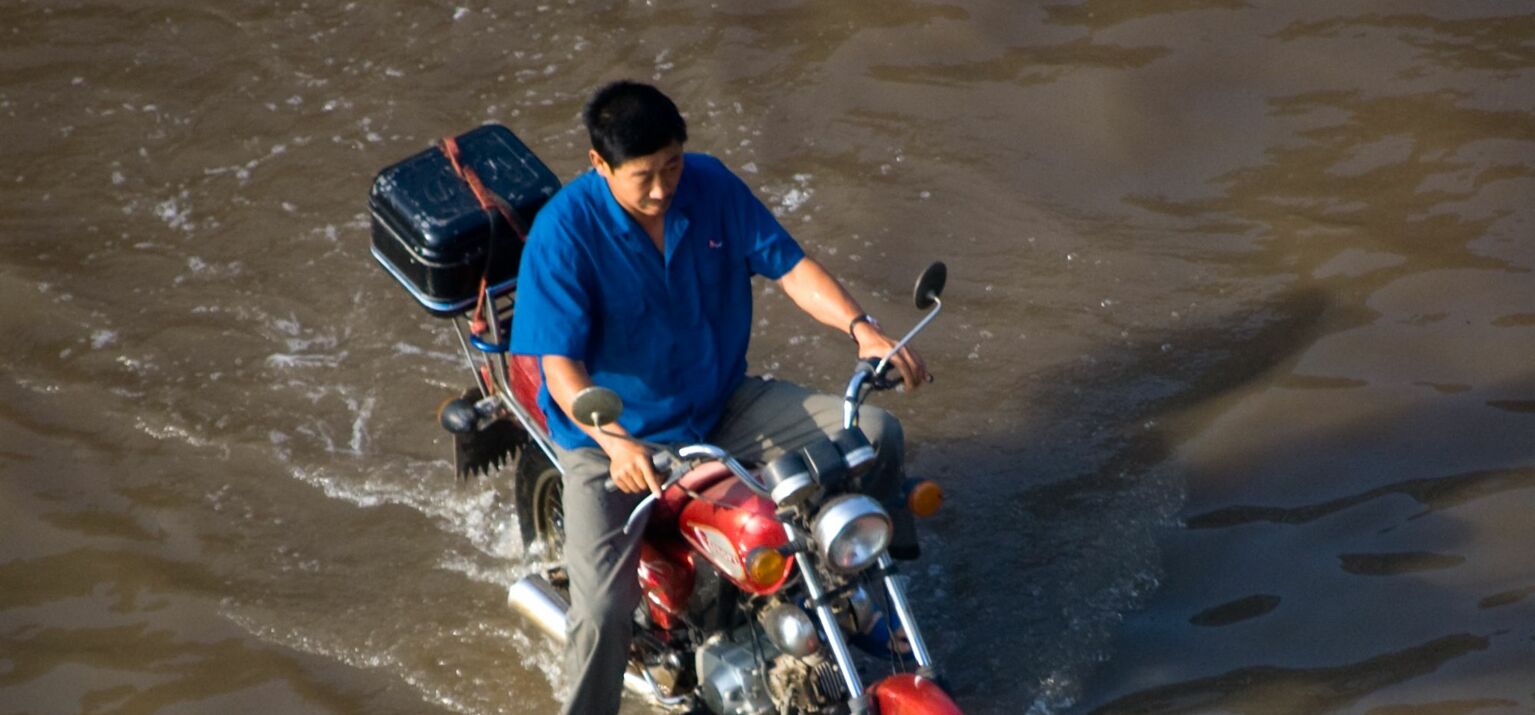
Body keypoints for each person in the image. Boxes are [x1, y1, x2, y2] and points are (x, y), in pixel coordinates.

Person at [510, 80, 929, 715]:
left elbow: (791, 267)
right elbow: (560, 370)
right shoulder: (563, 233)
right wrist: (612, 439)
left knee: (875, 434)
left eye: (672, 164)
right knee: (601, 614)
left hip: (721, 407)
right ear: (599, 165)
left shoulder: (710, 186)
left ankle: (870, 594)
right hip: (612, 442)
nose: (662, 188)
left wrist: (862, 330)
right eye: (643, 175)